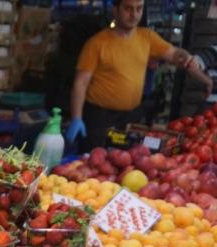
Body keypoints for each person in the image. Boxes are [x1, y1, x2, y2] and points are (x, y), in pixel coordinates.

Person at [67, 0, 209, 150]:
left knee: (126, 164)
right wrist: (76, 117)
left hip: (130, 118)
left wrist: (188, 58)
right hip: (100, 118)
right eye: (128, 8)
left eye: (138, 9)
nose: (134, 14)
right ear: (116, 9)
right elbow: (80, 83)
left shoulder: (147, 37)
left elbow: (175, 54)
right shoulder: (96, 43)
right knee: (94, 162)